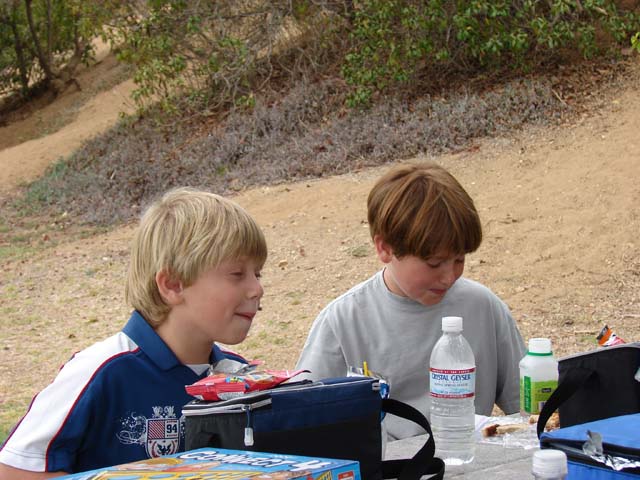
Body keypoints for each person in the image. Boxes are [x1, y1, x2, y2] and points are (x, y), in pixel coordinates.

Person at [0, 187, 267, 478]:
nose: (257, 289)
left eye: (258, 273)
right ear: (172, 285)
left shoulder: (239, 377)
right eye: (237, 274)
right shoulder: (100, 371)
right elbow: (14, 469)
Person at [295, 163, 526, 440]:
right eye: (434, 263)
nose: (449, 277)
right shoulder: (343, 321)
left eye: (459, 260)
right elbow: (302, 424)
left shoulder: (483, 308)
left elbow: (532, 413)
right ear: (384, 248)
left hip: (464, 457)